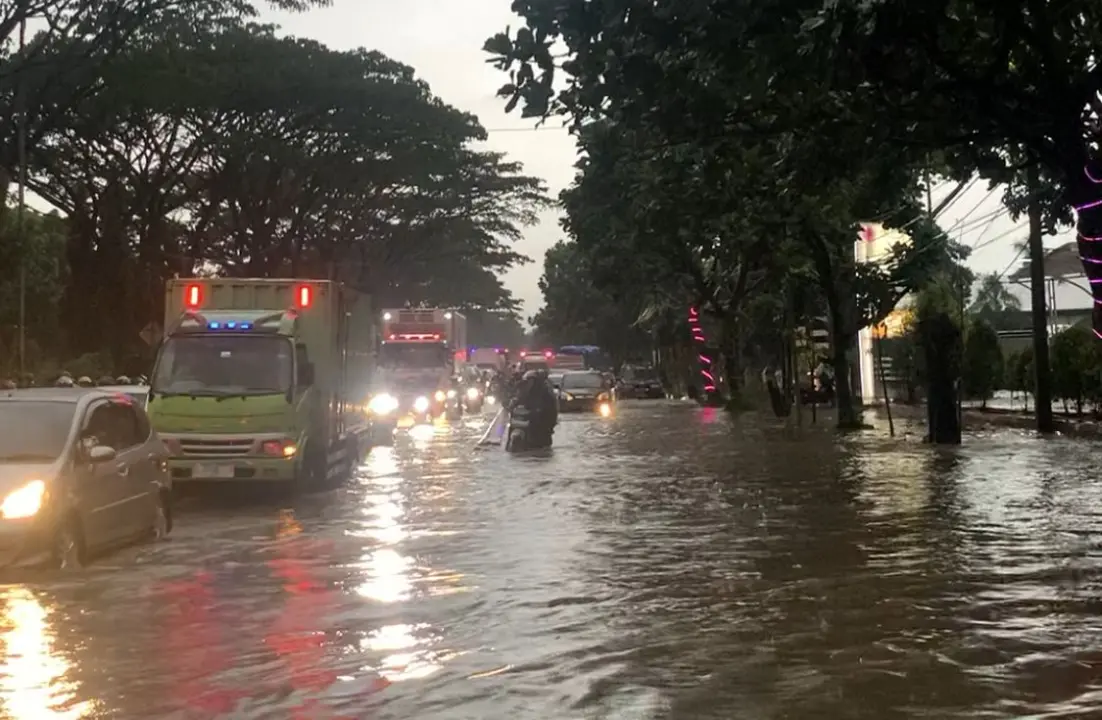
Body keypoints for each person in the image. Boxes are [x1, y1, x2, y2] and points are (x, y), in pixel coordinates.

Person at [509, 369, 557, 447]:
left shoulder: (544, 393)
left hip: (542, 423)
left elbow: (549, 410)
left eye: (531, 381)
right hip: (529, 419)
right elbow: (519, 398)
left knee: (541, 440)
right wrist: (513, 403)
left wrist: (538, 411)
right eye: (528, 381)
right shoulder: (526, 391)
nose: (530, 383)